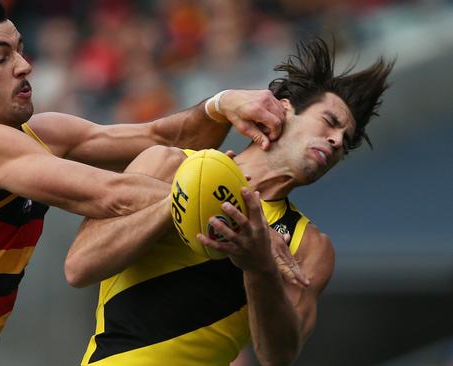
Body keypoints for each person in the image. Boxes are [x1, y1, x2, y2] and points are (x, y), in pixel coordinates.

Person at [0, 1, 287, 365]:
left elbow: (159, 137)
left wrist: (221, 105)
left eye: (20, 49)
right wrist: (251, 219)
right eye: (1, 57)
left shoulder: (39, 135)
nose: (24, 65)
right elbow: (111, 196)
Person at [65, 38, 394, 365]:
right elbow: (79, 267)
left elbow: (277, 356)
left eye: (345, 141)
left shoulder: (308, 246)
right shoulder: (167, 165)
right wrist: (180, 201)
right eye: (329, 122)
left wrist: (259, 267)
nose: (336, 141)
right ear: (284, 108)